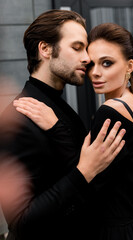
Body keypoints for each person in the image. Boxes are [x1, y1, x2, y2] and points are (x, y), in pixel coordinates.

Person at [14, 22, 133, 239]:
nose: (95, 73)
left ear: (130, 66)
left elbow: (91, 184)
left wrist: (56, 129)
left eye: (107, 63)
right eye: (92, 64)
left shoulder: (111, 110)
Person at [0, 10, 126, 240]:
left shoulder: (58, 108)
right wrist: (84, 171)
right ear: (45, 49)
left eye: (85, 48)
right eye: (77, 47)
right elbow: (21, 223)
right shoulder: (19, 119)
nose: (87, 58)